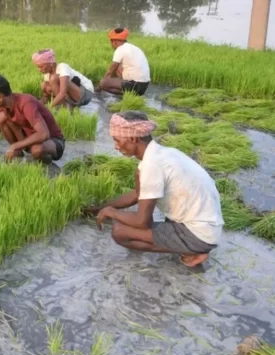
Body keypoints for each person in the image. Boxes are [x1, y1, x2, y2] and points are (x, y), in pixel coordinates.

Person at [84, 111, 224, 268]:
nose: (116, 147)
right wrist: (97, 208)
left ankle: (194, 249)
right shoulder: (163, 154)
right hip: (206, 226)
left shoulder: (152, 165)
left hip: (199, 234)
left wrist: (111, 212)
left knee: (120, 232)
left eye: (117, 140)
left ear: (132, 138)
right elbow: (137, 194)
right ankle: (193, 245)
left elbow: (141, 221)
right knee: (131, 223)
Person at [0, 74, 66, 164]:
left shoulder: (26, 103)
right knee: (2, 119)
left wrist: (15, 145)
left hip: (52, 141)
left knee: (37, 150)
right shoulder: (3, 108)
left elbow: (43, 134)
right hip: (30, 141)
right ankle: (19, 152)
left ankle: (44, 161)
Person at [99, 28, 151, 96]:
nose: (111, 45)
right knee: (119, 68)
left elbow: (110, 72)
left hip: (135, 85)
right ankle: (129, 94)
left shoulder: (120, 49)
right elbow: (117, 69)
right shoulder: (133, 47)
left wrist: (99, 87)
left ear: (115, 42)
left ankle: (128, 94)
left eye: (111, 43)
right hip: (144, 86)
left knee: (103, 83)